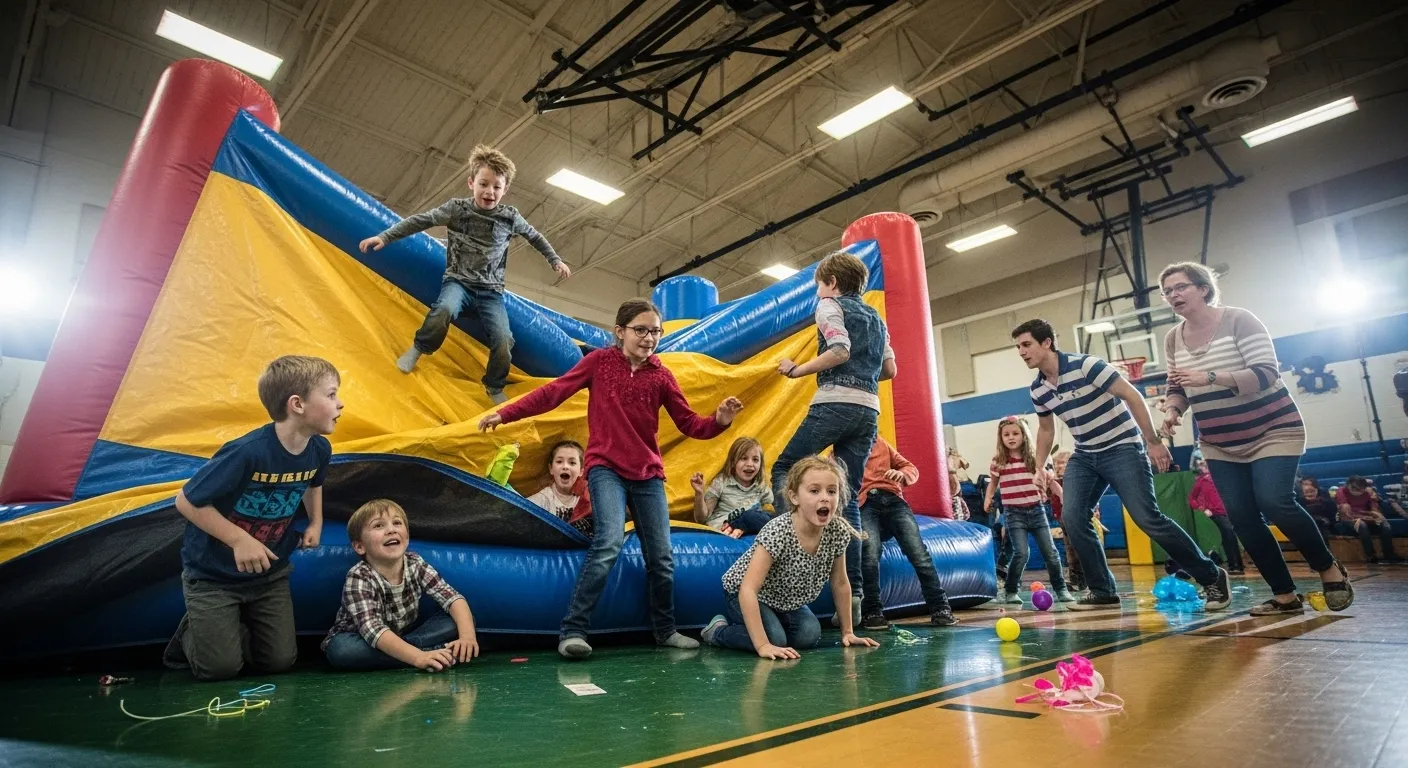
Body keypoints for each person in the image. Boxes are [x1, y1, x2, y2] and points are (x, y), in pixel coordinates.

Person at [479, 298, 744, 660]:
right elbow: (552, 393)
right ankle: (573, 630)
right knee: (607, 543)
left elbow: (690, 424)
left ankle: (665, 630)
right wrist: (505, 413)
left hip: (648, 474)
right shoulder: (599, 363)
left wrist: (720, 419)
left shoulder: (662, 376)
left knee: (662, 557)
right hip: (606, 468)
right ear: (619, 332)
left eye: (655, 331)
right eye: (641, 330)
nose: (649, 338)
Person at [1157, 262, 1353, 614]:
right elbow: (1178, 386)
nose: (1174, 295)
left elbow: (1266, 373)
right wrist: (1173, 410)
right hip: (1219, 441)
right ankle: (1284, 595)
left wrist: (1211, 376)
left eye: (1180, 287)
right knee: (1242, 518)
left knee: (1274, 501)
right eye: (1167, 291)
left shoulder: (1239, 320)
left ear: (1203, 288)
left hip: (1272, 427)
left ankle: (1328, 568)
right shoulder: (1173, 338)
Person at [1012, 318, 1232, 612]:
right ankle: (1102, 590)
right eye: (1018, 347)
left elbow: (1133, 396)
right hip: (1085, 455)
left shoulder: (1086, 365)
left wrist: (1153, 441)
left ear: (1047, 343)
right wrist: (1040, 467)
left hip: (1123, 448)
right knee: (1074, 518)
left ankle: (1212, 576)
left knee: (1147, 518)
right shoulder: (1038, 389)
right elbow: (1046, 430)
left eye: (1026, 344)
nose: (1022, 352)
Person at [163, 355, 341, 681]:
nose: (339, 404)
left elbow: (313, 482)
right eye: (331, 395)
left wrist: (315, 522)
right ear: (297, 404)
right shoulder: (248, 452)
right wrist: (239, 539)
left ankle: (226, 630)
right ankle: (195, 632)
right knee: (218, 669)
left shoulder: (319, 449)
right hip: (214, 575)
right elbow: (186, 501)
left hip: (268, 575)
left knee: (279, 662)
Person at [359, 145, 571, 403]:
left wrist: (555, 260)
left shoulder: (510, 217)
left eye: (496, 187)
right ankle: (418, 348)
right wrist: (385, 236)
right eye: (483, 184)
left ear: (505, 190)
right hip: (458, 282)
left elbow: (535, 237)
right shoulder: (457, 209)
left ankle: (494, 385)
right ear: (471, 183)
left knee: (504, 340)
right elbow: (421, 220)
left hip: (491, 292)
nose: (489, 191)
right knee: (443, 310)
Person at [772, 251, 897, 626]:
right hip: (868, 410)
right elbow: (889, 369)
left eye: (819, 286)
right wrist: (864, 377)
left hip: (835, 402)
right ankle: (854, 593)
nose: (818, 293)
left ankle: (796, 543)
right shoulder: (876, 318)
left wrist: (797, 370)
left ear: (831, 284)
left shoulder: (829, 306)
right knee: (849, 493)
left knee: (784, 467)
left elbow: (839, 350)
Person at [701, 456, 881, 658]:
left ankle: (771, 627)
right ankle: (717, 632)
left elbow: (840, 582)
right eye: (814, 491)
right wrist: (762, 646)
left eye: (832, 491)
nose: (825, 498)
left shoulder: (837, 530)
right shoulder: (779, 531)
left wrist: (848, 632)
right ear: (794, 497)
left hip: (785, 600)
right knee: (775, 640)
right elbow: (748, 589)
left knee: (809, 635)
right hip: (744, 593)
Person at [323, 500, 479, 671]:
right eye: (379, 526)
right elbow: (373, 630)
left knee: (456, 620)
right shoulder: (359, 577)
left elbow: (452, 598)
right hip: (363, 641)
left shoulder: (415, 563)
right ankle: (427, 653)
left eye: (397, 523)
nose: (391, 529)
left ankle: (411, 653)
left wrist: (468, 638)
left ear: (407, 536)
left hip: (406, 636)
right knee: (342, 650)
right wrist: (418, 657)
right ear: (360, 546)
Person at [854, 436, 959, 629]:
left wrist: (901, 475)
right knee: (869, 553)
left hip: (893, 500)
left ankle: (940, 608)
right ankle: (872, 611)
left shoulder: (880, 443)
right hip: (865, 503)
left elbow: (910, 468)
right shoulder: (842, 449)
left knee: (919, 553)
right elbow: (831, 474)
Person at [983, 416, 1074, 605]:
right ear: (1001, 438)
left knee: (1050, 553)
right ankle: (1011, 590)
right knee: (1021, 553)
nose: (1011, 437)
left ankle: (1061, 589)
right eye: (1006, 434)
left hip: (1036, 511)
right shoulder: (999, 462)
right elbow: (993, 484)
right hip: (1013, 513)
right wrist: (988, 498)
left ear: (1024, 436)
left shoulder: (1034, 460)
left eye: (1016, 433)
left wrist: (1063, 496)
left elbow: (1051, 482)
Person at [691, 437, 774, 538]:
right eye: (743, 458)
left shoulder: (762, 487)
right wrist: (699, 494)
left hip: (747, 535)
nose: (750, 464)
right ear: (733, 462)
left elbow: (771, 517)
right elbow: (702, 518)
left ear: (760, 464)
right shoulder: (722, 482)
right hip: (721, 533)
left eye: (755, 460)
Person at [526, 440, 593, 539]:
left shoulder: (589, 497)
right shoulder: (543, 499)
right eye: (559, 461)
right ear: (551, 469)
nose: (565, 466)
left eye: (572, 463)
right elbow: (521, 514)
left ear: (581, 471)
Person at [1189, 460, 1244, 574]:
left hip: (1229, 510)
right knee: (1229, 534)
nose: (1205, 467)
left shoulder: (1221, 477)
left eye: (1205, 465)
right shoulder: (1202, 481)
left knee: (1229, 536)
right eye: (1203, 466)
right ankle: (1234, 565)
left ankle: (1237, 565)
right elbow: (1192, 499)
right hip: (1216, 513)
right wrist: (1203, 509)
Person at [1337, 476, 1399, 563]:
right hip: (1350, 518)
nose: (1356, 491)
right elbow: (1346, 512)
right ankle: (1370, 555)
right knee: (1361, 525)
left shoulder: (1369, 492)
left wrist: (1375, 515)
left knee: (1385, 526)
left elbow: (1374, 507)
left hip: (1367, 516)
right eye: (1353, 488)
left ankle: (1389, 554)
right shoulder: (1341, 491)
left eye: (1359, 489)